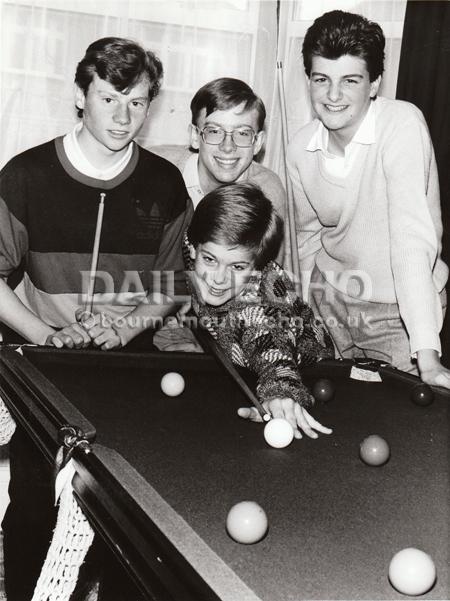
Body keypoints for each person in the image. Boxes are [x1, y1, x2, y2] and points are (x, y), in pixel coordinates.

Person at [0, 37, 193, 600]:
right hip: (42, 368)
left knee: (125, 519)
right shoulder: (26, 175)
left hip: (128, 370)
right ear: (82, 95)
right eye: (110, 98)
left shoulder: (164, 183)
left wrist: (128, 326)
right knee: (36, 503)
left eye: (138, 102)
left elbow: (172, 285)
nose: (123, 116)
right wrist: (48, 335)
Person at [287, 10, 450, 388]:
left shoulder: (402, 125)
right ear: (308, 80)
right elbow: (306, 239)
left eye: (350, 80)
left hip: (397, 313)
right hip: (328, 303)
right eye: (321, 79)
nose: (332, 95)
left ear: (374, 83)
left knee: (406, 430)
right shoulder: (299, 148)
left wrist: (427, 355)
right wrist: (305, 310)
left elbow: (411, 240)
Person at [184, 182, 334, 438]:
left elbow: (273, 351)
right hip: (243, 366)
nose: (219, 279)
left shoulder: (256, 309)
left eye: (237, 267)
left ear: (256, 268)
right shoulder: (195, 243)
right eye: (210, 260)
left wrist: (281, 393)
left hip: (316, 373)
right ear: (193, 247)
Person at [150, 77, 286, 225]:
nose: (227, 147)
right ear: (195, 136)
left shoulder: (268, 193)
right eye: (214, 131)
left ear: (258, 142)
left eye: (242, 133)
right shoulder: (155, 168)